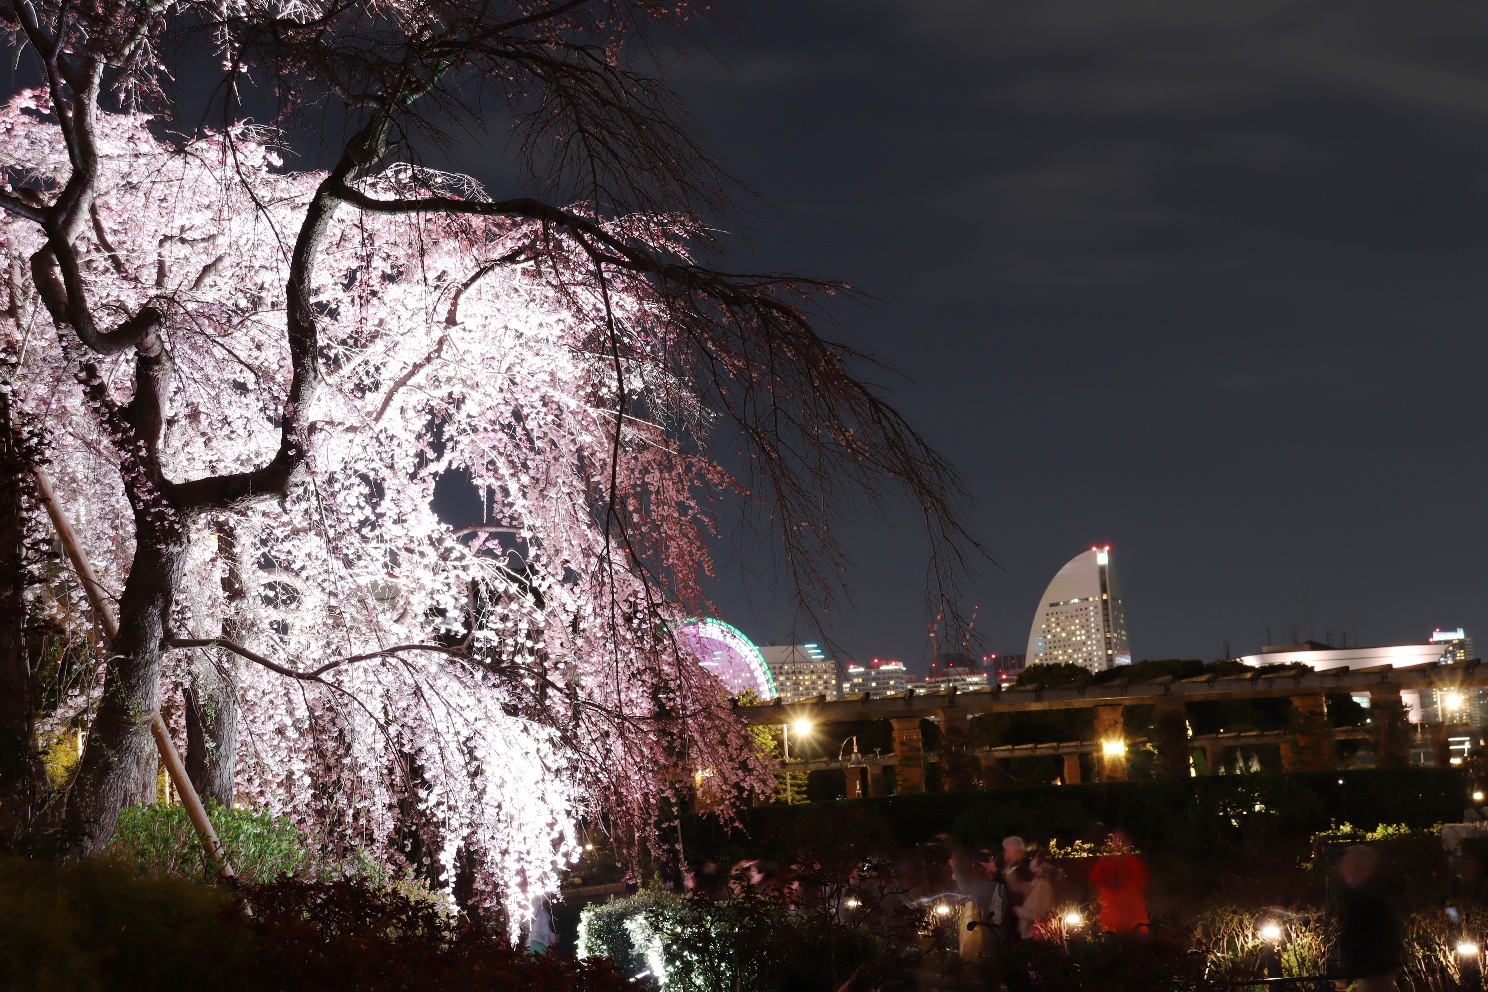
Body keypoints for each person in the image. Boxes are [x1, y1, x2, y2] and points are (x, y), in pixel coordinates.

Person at [1334, 845, 1401, 992]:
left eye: (1346, 863)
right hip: (1374, 969)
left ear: (1356, 866)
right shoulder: (1369, 891)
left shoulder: (1364, 893)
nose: (1342, 868)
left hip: (1372, 970)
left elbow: (1360, 932)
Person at [1089, 828, 1149, 936]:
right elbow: (1095, 879)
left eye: (1120, 840)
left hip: (1134, 921)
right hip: (1112, 922)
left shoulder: (1135, 863)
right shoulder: (1107, 862)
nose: (1117, 844)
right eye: (1114, 840)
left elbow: (1139, 884)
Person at [1014, 854, 1056, 940]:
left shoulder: (1043, 885)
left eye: (1035, 861)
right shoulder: (1035, 883)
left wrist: (1017, 910)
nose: (1032, 864)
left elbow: (1038, 915)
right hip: (1029, 935)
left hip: (1033, 936)